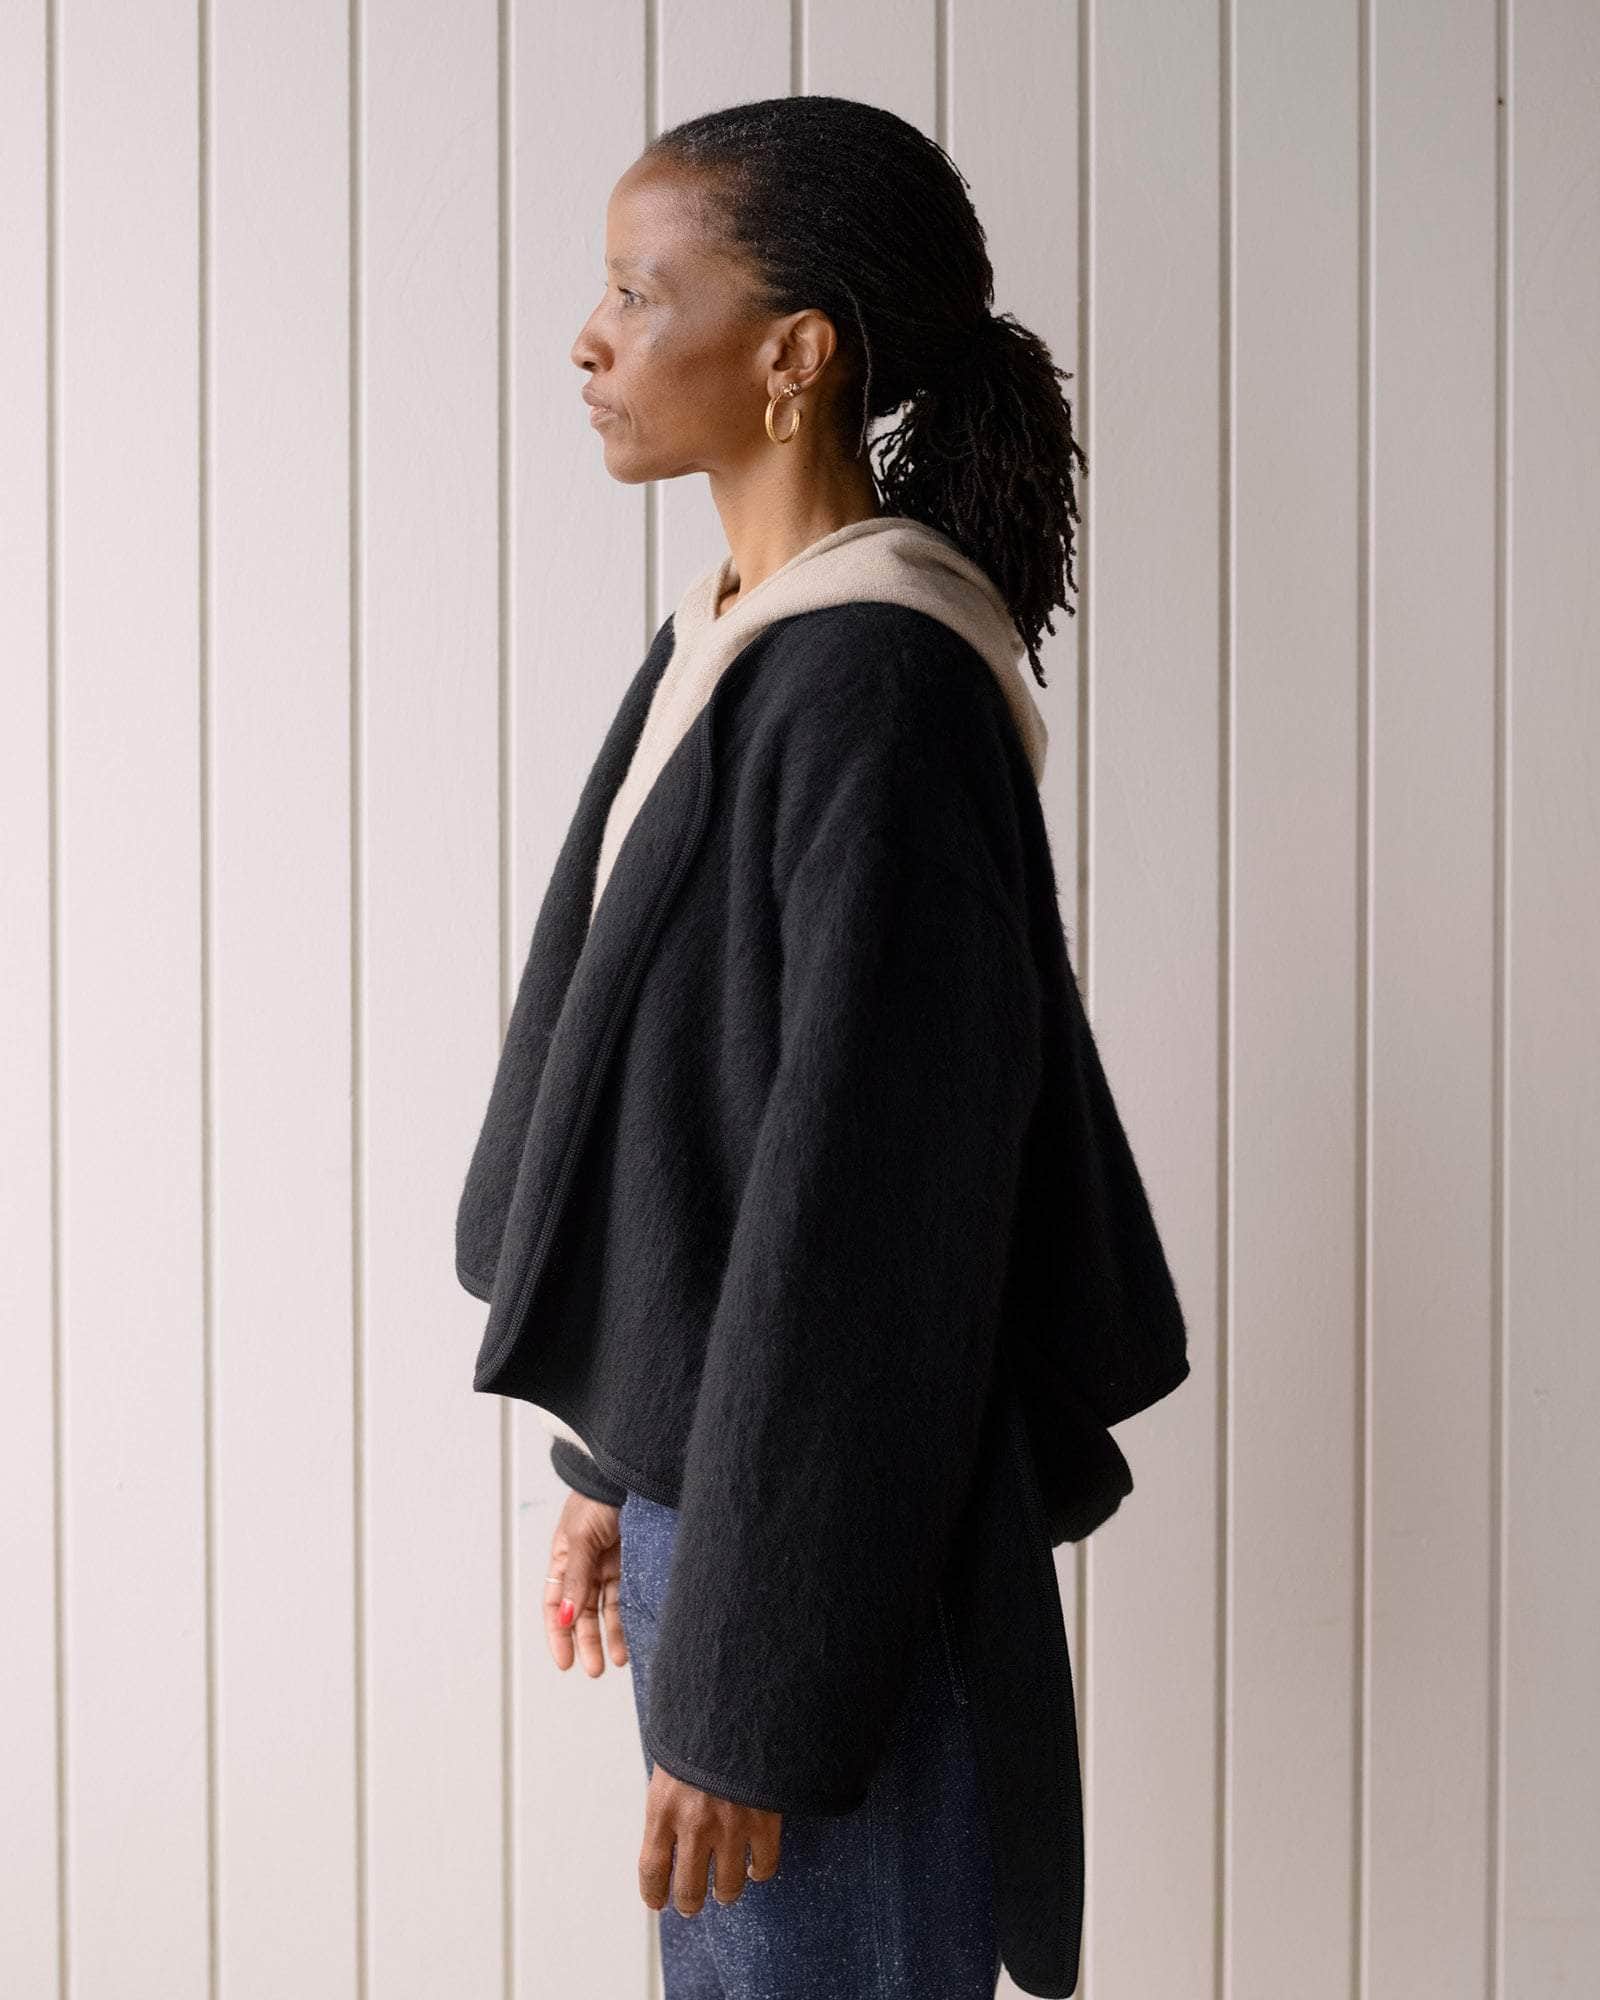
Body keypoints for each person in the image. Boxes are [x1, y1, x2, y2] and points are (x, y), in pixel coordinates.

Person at [455, 92, 1189, 2000]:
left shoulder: (877, 687)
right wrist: (619, 1461)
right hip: (741, 1523)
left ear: (793, 357)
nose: (591, 339)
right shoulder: (745, 637)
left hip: (830, 1575)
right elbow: (701, 1121)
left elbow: (868, 1234)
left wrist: (759, 1693)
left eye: (641, 292)